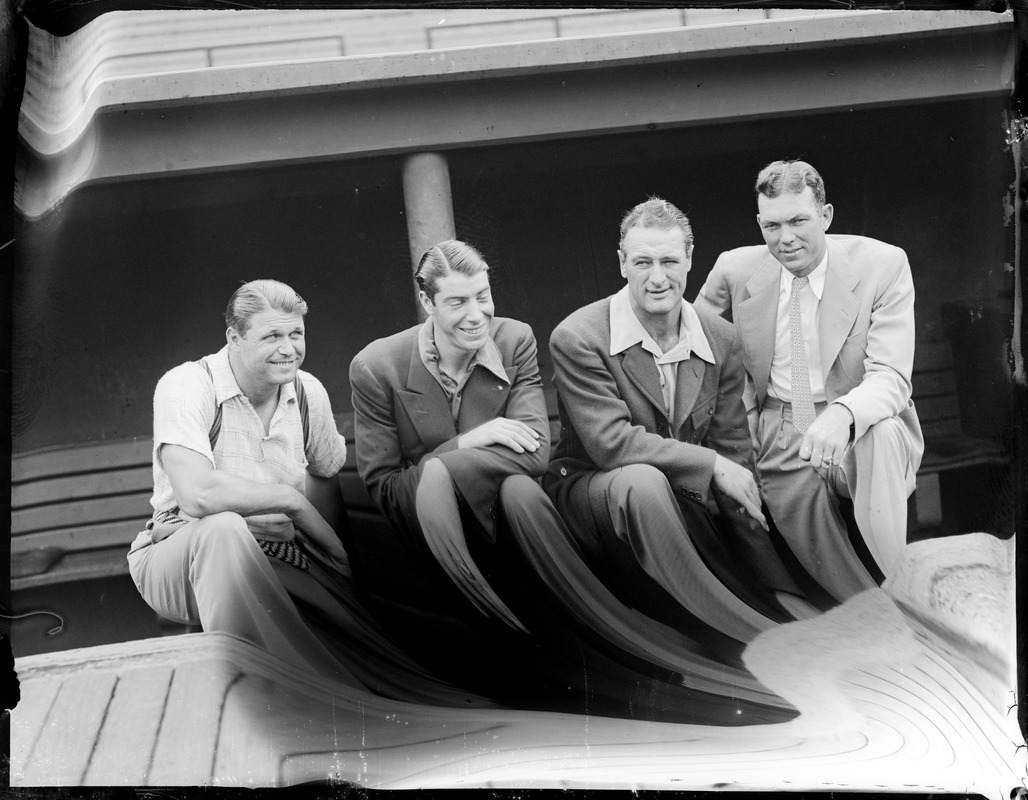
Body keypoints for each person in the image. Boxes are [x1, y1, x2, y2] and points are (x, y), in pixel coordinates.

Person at [126, 279, 481, 706]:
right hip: (178, 553)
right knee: (223, 530)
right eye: (271, 336)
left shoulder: (307, 390)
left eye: (296, 334)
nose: (288, 348)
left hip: (277, 550)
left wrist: (338, 564)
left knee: (365, 645)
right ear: (233, 338)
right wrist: (290, 501)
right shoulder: (188, 385)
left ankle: (348, 698)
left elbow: (326, 481)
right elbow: (197, 495)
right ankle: (263, 698)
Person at [544, 197, 814, 648]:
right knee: (643, 481)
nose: (657, 277)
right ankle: (720, 624)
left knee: (767, 565)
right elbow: (612, 445)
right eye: (642, 262)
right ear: (621, 263)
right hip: (597, 491)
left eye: (670, 261)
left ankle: (775, 615)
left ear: (690, 259)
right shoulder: (578, 337)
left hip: (685, 496)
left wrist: (774, 584)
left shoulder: (722, 338)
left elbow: (733, 456)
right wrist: (711, 465)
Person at [695, 160, 924, 603]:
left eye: (799, 220)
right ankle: (873, 617)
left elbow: (892, 378)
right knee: (828, 569)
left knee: (883, 431)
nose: (786, 238)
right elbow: (692, 338)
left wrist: (843, 414)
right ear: (759, 223)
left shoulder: (883, 265)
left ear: (826, 215)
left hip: (859, 420)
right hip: (781, 425)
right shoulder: (735, 270)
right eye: (772, 225)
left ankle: (903, 595)